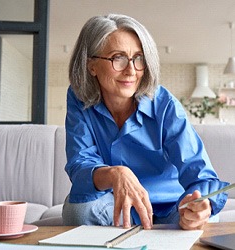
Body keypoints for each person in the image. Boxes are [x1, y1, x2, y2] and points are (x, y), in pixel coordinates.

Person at [62, 13, 229, 230]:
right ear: (91, 65)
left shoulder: (164, 103)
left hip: (171, 208)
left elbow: (198, 172)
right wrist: (115, 173)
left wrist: (201, 205)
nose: (131, 70)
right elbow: (80, 164)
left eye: (138, 58)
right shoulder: (78, 98)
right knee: (78, 211)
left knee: (205, 219)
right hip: (116, 206)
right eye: (118, 58)